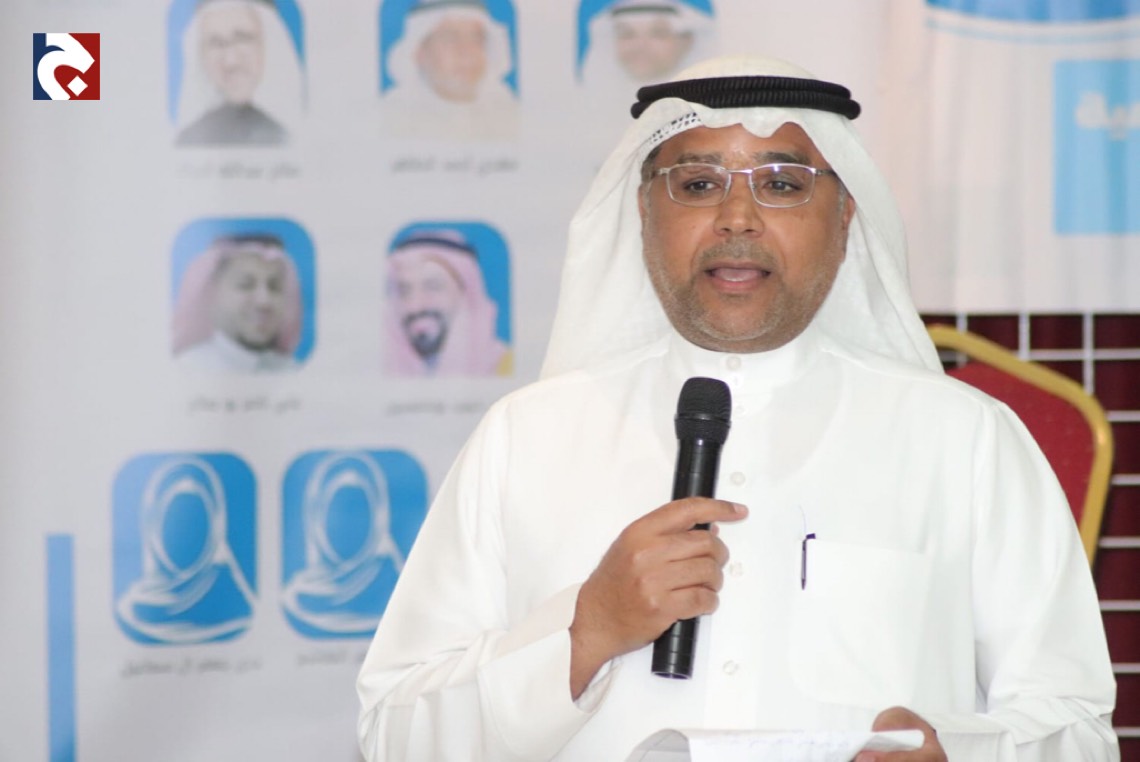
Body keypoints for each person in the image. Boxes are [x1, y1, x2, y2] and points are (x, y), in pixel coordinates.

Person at [357, 56, 1118, 760]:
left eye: (782, 184)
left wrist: (956, 752)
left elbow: (1077, 729)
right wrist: (586, 632)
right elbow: (393, 732)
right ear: (645, 213)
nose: (737, 218)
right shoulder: (527, 439)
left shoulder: (964, 440)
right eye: (697, 185)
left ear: (845, 217)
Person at [381, 0, 518, 140]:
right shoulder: (389, 120)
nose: (467, 52)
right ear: (419, 53)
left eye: (476, 39)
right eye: (450, 38)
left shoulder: (510, 112)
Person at [384, 229, 511, 377]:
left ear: (466, 294)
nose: (415, 306)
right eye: (404, 291)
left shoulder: (506, 366)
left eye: (433, 287)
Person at [175, 0, 302, 146]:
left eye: (243, 39)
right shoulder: (188, 140)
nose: (231, 62)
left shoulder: (291, 138)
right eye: (216, 43)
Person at [173, 234, 303, 372]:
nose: (264, 301)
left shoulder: (291, 369)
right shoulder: (187, 369)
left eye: (274, 287)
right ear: (213, 296)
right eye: (245, 285)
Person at [580, 0, 715, 89]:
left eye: (658, 33)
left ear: (687, 42)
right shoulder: (593, 107)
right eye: (627, 34)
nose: (640, 46)